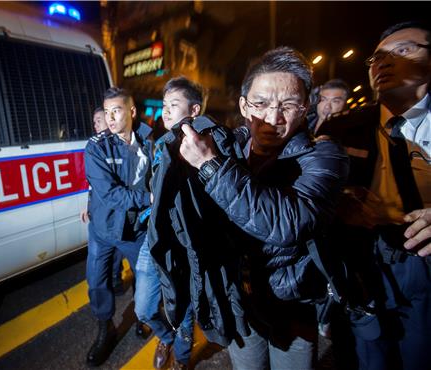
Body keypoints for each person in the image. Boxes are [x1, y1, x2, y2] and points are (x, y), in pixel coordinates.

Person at [178, 46, 349, 369]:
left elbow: (290, 223)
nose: (273, 118)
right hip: (239, 300)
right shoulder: (228, 146)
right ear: (243, 105)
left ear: (306, 106)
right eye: (261, 104)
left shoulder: (325, 157)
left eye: (288, 105)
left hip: (292, 303)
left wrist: (211, 168)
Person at [318, 21, 431, 370]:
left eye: (402, 50)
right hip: (364, 263)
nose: (382, 62)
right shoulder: (340, 129)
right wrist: (334, 204)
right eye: (376, 57)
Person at [134, 77, 203, 370]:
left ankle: (183, 360)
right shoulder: (160, 143)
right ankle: (167, 337)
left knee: (183, 308)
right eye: (164, 105)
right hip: (154, 238)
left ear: (195, 110)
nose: (166, 111)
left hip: (184, 244)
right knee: (144, 308)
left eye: (174, 105)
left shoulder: (205, 145)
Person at [84, 87, 153, 366]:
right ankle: (106, 329)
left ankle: (144, 315)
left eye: (117, 111)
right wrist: (149, 197)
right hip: (103, 229)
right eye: (107, 111)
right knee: (97, 282)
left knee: (145, 277)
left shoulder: (150, 139)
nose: (110, 118)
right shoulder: (97, 146)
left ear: (132, 111)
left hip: (136, 228)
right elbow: (110, 194)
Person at [81, 107, 125, 296]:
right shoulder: (95, 147)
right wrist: (87, 206)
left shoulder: (118, 147)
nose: (96, 124)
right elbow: (93, 185)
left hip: (116, 212)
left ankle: (115, 277)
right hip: (99, 214)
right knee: (97, 265)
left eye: (99, 119)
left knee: (116, 253)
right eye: (95, 121)